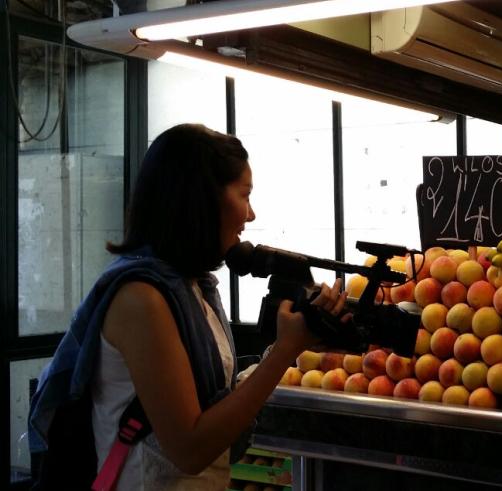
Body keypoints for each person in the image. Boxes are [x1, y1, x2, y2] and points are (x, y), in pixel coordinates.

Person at [29, 124, 346, 490]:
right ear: (202, 199)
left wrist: (295, 343)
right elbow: (191, 448)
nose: (251, 214)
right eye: (245, 195)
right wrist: (284, 352)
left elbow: (212, 406)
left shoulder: (192, 287)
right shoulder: (141, 299)